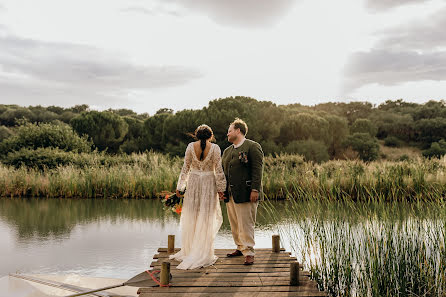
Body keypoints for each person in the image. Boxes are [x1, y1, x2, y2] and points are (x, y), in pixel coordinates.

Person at [169, 124, 226, 269]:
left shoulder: (189, 147)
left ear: (196, 135)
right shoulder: (215, 148)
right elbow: (218, 170)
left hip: (193, 182)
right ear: (210, 136)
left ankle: (190, 251)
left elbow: (185, 168)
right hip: (208, 183)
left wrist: (180, 187)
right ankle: (203, 252)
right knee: (206, 217)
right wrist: (221, 189)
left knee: (192, 215)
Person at [222, 118, 264, 265]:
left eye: (230, 130)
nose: (227, 134)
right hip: (231, 193)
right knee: (234, 224)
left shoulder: (253, 146)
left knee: (246, 224)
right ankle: (240, 247)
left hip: (247, 193)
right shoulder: (227, 151)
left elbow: (257, 170)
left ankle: (249, 252)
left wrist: (255, 189)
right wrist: (222, 190)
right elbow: (223, 173)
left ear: (238, 131)